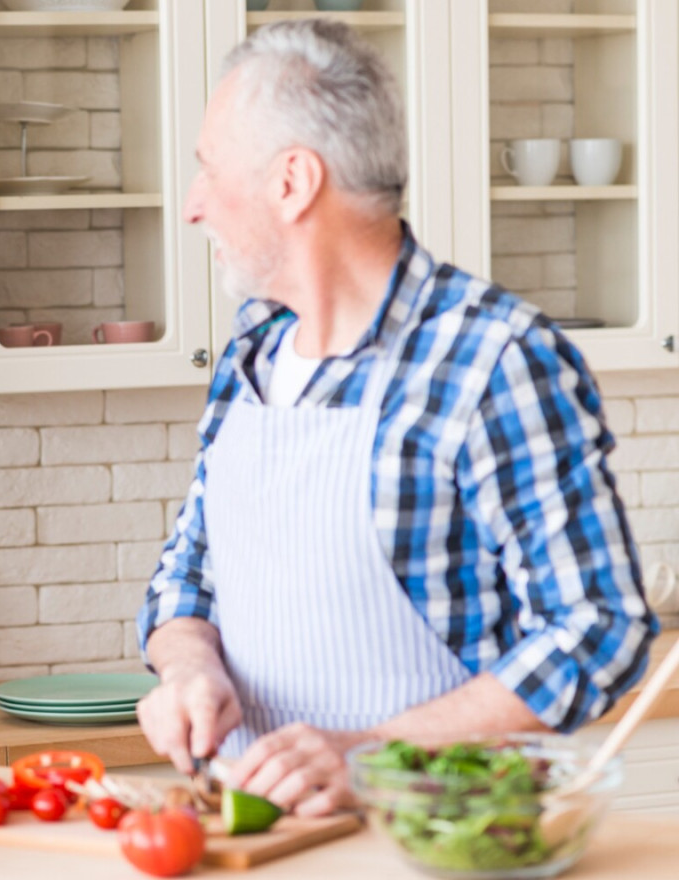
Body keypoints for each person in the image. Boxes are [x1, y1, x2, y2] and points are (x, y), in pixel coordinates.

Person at [136, 20, 657, 817]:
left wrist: (380, 754)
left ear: (292, 182)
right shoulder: (252, 352)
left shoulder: (489, 357)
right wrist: (187, 667)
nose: (193, 205)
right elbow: (188, 573)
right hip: (250, 834)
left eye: (209, 169)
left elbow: (598, 630)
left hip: (438, 838)